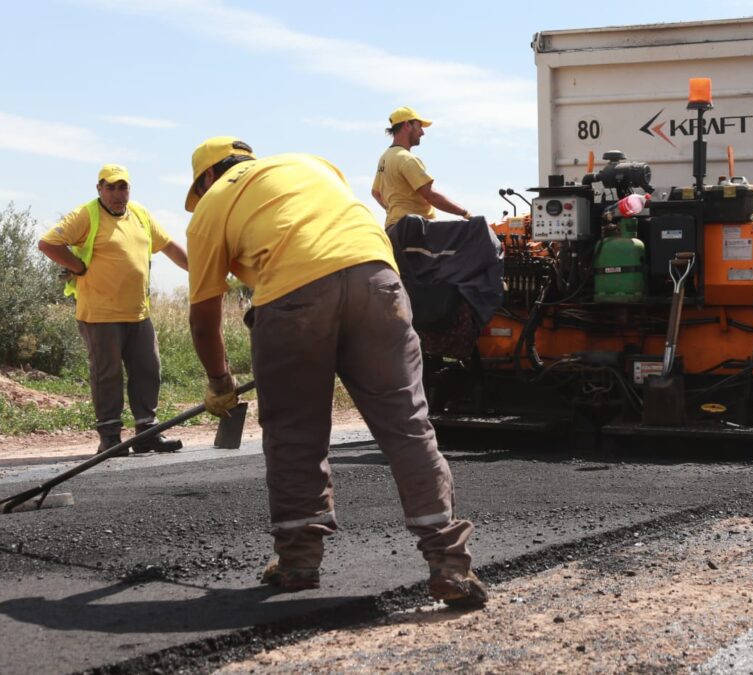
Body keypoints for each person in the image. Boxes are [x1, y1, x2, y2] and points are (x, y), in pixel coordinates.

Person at [184, 136, 487, 605]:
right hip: (378, 281)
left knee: (295, 432)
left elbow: (204, 321)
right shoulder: (309, 162)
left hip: (294, 299)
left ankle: (298, 561)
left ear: (206, 178)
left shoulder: (212, 205)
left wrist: (220, 382)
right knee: (408, 426)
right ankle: (450, 564)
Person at [38, 164, 189, 455]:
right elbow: (48, 243)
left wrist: (199, 270)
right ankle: (110, 439)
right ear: (99, 189)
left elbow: (168, 245)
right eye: (111, 187)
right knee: (107, 375)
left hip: (138, 312)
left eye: (123, 187)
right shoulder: (87, 214)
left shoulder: (140, 214)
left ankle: (147, 433)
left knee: (149, 370)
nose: (118, 194)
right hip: (100, 315)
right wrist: (77, 266)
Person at [371, 106, 472, 228]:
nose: (422, 132)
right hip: (414, 230)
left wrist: (393, 210)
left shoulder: (385, 158)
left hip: (394, 227)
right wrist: (466, 214)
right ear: (407, 125)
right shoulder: (406, 158)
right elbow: (431, 196)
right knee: (468, 235)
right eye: (419, 126)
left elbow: (376, 193)